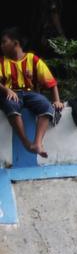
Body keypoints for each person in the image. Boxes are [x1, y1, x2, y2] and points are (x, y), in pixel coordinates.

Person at [0, 27, 63, 158]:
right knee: (11, 106)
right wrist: (6, 90)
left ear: (15, 43)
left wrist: (56, 100)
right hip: (11, 95)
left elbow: (51, 82)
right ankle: (26, 143)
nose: (2, 46)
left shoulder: (33, 59)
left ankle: (38, 143)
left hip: (30, 94)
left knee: (45, 105)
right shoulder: (1, 62)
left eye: (4, 42)